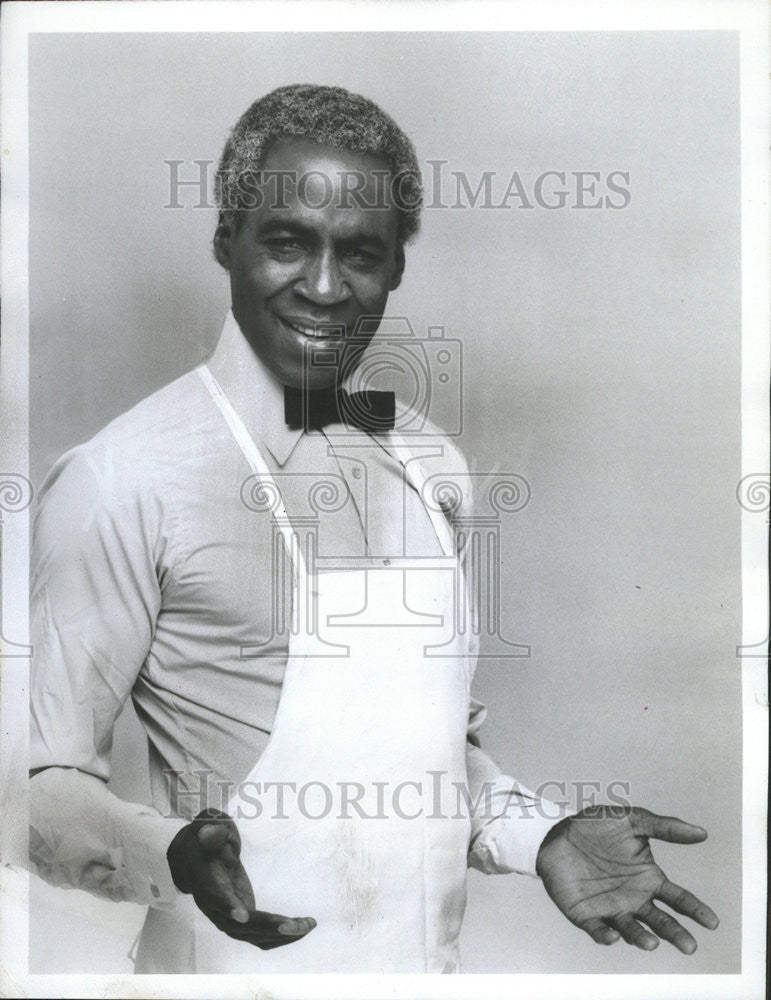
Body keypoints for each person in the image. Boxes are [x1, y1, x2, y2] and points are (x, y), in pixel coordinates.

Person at [29, 83, 719, 973]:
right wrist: (168, 856)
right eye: (286, 243)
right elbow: (35, 793)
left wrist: (538, 832)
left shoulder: (428, 463)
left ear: (396, 266)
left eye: (359, 252)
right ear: (224, 239)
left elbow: (427, 752)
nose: (322, 286)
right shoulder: (120, 479)